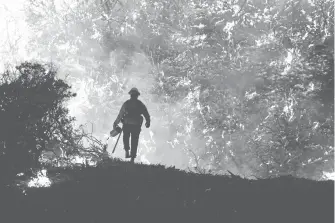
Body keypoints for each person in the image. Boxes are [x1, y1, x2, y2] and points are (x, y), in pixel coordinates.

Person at [113, 87, 150, 163]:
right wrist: (148, 122)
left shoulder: (126, 103)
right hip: (136, 125)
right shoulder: (140, 104)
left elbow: (120, 115)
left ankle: (127, 151)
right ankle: (132, 159)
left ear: (131, 95)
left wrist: (115, 123)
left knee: (126, 137)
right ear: (137, 95)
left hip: (127, 124)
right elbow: (146, 114)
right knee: (134, 141)